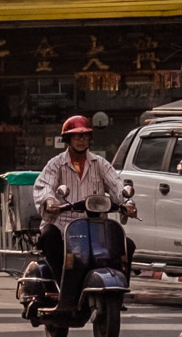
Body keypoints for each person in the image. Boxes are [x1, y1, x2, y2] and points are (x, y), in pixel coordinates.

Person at [32, 116, 130, 285]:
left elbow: (117, 185)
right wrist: (50, 201)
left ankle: (120, 290)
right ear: (68, 139)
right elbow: (44, 185)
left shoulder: (100, 164)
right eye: (77, 136)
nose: (81, 140)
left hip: (95, 224)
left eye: (85, 136)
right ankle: (62, 283)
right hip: (62, 225)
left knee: (127, 245)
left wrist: (126, 203)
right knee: (48, 237)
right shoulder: (56, 164)